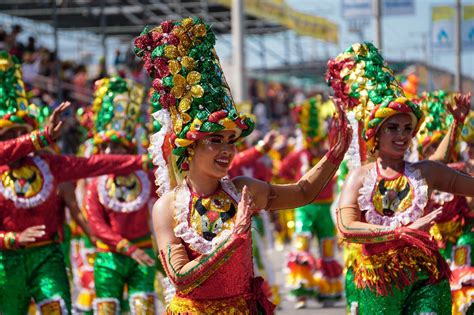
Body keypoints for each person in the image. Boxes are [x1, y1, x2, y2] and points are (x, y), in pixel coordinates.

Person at [134, 17, 352, 314]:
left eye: (231, 140)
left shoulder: (242, 191)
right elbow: (181, 277)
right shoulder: (167, 207)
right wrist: (231, 236)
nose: (227, 150)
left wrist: (335, 155)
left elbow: (302, 193)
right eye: (215, 141)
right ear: (190, 147)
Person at [327, 42, 474, 314]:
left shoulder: (425, 172)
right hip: (377, 285)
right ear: (376, 134)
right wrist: (397, 232)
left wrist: (457, 125)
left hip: (425, 279)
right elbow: (347, 227)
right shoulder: (359, 177)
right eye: (392, 127)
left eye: (407, 128)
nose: (401, 135)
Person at [0, 51, 151, 314]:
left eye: (19, 133)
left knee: (56, 309)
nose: (15, 140)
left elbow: (96, 165)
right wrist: (13, 239)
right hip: (5, 262)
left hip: (47, 258)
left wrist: (145, 162)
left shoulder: (50, 165)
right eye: (7, 135)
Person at [85, 76, 159, 313]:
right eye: (105, 147)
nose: (109, 153)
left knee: (143, 308)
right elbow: (96, 225)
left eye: (116, 147)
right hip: (109, 258)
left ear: (128, 149)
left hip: (144, 253)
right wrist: (127, 248)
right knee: (107, 309)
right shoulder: (96, 183)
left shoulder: (146, 177)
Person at [280, 96, 343, 308]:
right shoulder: (299, 155)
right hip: (304, 208)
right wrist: (293, 189)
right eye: (313, 143)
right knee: (302, 248)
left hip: (325, 208)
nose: (317, 147)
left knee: (327, 249)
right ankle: (302, 293)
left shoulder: (328, 156)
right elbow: (282, 171)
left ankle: (328, 292)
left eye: (319, 142)